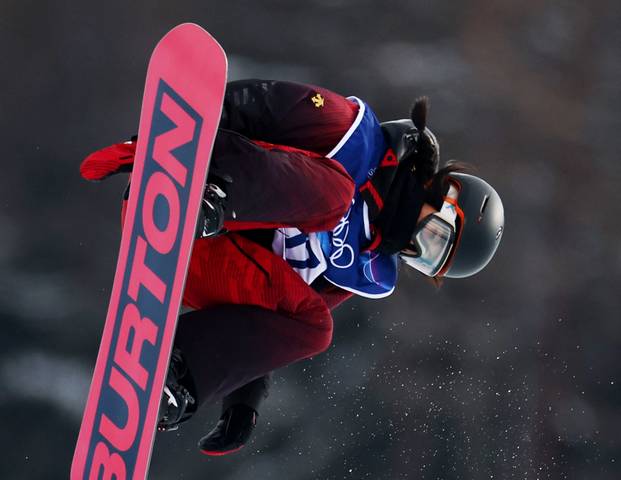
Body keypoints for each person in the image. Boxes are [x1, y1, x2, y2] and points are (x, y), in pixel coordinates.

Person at [80, 79, 505, 455]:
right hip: (186, 182)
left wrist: (243, 398)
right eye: (435, 236)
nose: (415, 246)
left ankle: (174, 378)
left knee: (314, 326)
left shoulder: (362, 266)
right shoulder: (351, 135)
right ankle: (209, 197)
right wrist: (171, 139)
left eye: (427, 259)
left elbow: (274, 319)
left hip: (206, 262)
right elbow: (261, 104)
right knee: (335, 195)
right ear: (443, 193)